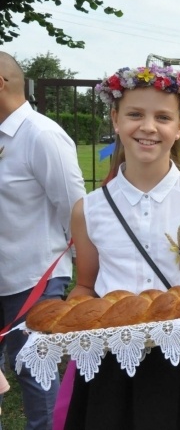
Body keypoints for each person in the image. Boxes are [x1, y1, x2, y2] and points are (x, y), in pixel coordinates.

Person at [63, 65, 180, 430]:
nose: (148, 127)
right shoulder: (89, 208)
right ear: (115, 120)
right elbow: (84, 285)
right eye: (134, 114)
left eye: (162, 117)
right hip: (111, 358)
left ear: (179, 127)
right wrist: (73, 317)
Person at [0, 51, 85, 430]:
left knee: (38, 378)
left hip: (33, 279)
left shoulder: (43, 135)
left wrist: (86, 272)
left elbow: (75, 208)